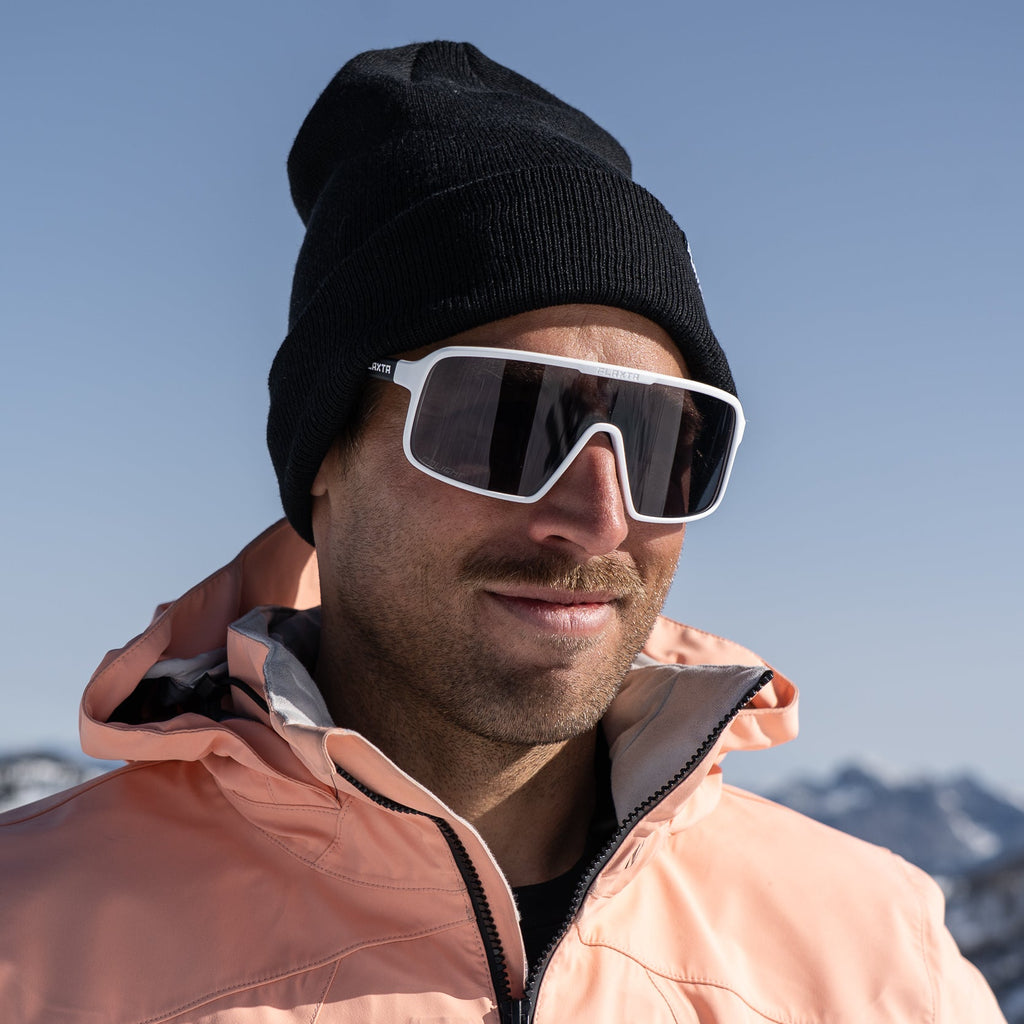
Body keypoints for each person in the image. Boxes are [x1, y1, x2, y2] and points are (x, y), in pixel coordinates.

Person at [0, 41, 1005, 1024]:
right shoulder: (34, 944)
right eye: (508, 422)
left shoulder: (873, 956)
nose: (599, 516)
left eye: (658, 440)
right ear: (325, 460)